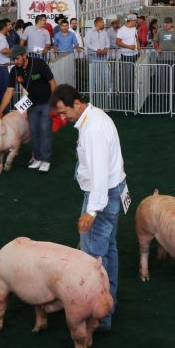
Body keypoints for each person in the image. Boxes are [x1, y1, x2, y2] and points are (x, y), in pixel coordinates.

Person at [50, 84, 127, 332]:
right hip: (112, 191)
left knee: (93, 258)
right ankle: (108, 306)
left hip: (101, 197)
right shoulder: (95, 117)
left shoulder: (92, 128)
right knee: (109, 250)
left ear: (77, 103)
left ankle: (98, 317)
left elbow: (99, 175)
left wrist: (91, 211)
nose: (63, 118)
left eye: (64, 112)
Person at [0, 45, 57, 172]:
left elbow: (52, 82)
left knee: (44, 129)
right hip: (32, 103)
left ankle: (46, 160)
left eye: (17, 58)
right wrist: (0, 111)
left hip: (47, 101)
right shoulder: (14, 70)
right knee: (33, 132)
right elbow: (9, 91)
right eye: (13, 59)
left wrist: (54, 103)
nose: (15, 61)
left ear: (24, 56)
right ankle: (38, 158)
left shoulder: (39, 63)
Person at [85, 17, 111, 101]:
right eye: (102, 22)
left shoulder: (104, 32)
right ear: (98, 23)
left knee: (106, 73)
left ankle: (108, 92)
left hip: (103, 57)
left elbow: (108, 42)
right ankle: (92, 92)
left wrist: (106, 48)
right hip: (93, 56)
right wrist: (97, 49)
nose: (103, 24)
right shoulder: (89, 32)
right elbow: (87, 43)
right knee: (93, 75)